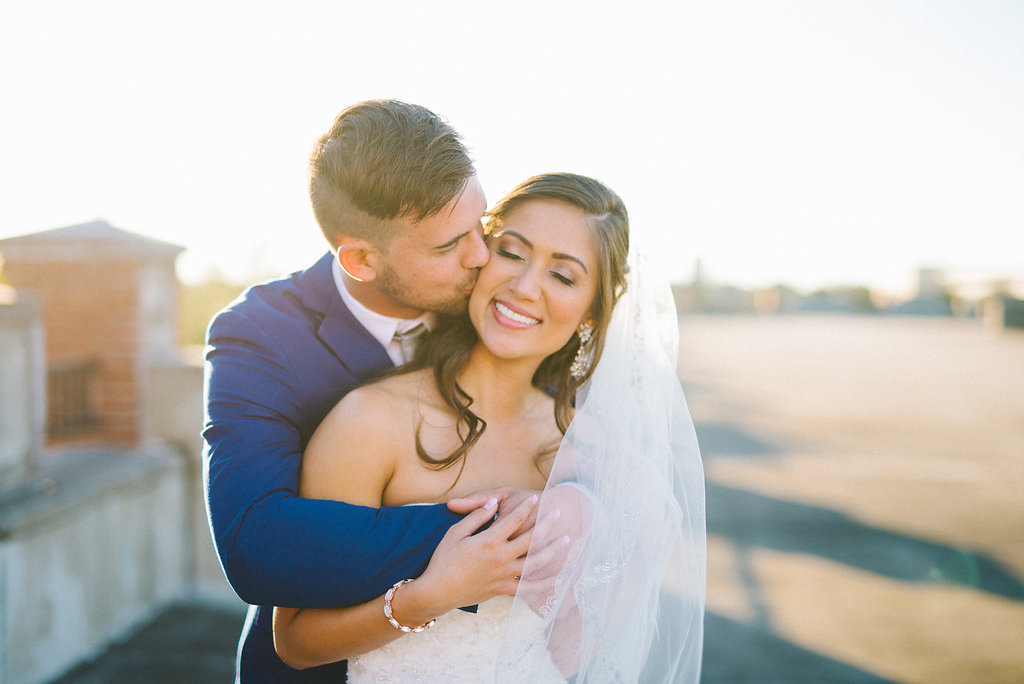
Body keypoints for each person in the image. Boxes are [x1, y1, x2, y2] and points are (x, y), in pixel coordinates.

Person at [272, 173, 707, 682]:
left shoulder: (593, 448)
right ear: (478, 254)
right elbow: (296, 642)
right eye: (512, 253)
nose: (524, 287)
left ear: (591, 310)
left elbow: (594, 638)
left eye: (563, 276)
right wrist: (430, 598)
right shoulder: (370, 421)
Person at [203, 100, 536, 683]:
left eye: (479, 226)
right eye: (447, 246)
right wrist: (494, 532)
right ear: (360, 259)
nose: (481, 257)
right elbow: (257, 541)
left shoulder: (497, 306)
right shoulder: (259, 335)